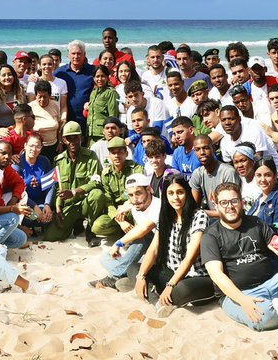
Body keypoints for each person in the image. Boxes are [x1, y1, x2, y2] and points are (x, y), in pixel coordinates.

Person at [200, 181, 278, 333]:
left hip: (272, 283)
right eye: (224, 202)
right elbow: (216, 274)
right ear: (217, 206)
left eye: (234, 201)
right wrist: (242, 300)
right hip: (238, 294)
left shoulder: (256, 223)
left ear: (242, 202)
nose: (230, 206)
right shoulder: (211, 235)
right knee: (263, 318)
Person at [134, 173, 216, 315]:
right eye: (170, 193)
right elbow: (153, 249)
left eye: (180, 192)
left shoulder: (199, 216)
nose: (175, 197)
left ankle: (158, 296)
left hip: (197, 277)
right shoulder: (166, 216)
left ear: (187, 193)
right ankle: (158, 302)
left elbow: (190, 257)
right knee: (135, 269)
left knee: (182, 289)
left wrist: (171, 285)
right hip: (173, 272)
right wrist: (141, 276)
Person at [90, 172, 160, 290]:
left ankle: (115, 276)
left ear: (148, 190)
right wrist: (124, 208)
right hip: (148, 253)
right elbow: (127, 205)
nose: (135, 199)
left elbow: (144, 228)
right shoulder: (135, 206)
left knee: (141, 236)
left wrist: (118, 243)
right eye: (131, 195)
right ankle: (127, 273)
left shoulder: (158, 205)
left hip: (162, 253)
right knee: (104, 257)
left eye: (138, 193)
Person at [42, 122, 106, 241]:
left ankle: (90, 227)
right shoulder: (58, 161)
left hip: (85, 203)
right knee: (50, 236)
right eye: (69, 138)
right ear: (64, 140)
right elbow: (56, 188)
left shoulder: (91, 156)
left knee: (97, 194)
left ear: (81, 138)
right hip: (69, 206)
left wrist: (74, 192)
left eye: (75, 138)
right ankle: (76, 223)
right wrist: (58, 208)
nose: (72, 142)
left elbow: (96, 182)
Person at [89, 136, 142, 246]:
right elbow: (108, 201)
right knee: (97, 227)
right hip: (117, 212)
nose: (117, 156)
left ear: (126, 153)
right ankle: (124, 230)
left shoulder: (136, 169)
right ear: (109, 155)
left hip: (133, 208)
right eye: (113, 153)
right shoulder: (106, 174)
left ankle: (136, 237)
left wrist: (126, 208)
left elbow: (139, 194)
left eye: (120, 152)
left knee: (139, 216)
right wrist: (120, 221)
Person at [188, 133, 240, 217]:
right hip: (211, 219)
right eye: (197, 149)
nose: (202, 152)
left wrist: (203, 213)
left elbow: (233, 209)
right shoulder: (198, 173)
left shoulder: (228, 172)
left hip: (230, 218)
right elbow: (193, 206)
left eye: (206, 148)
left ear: (213, 148)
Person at [14, 133, 55, 236]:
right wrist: (34, 207)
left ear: (41, 148)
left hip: (41, 204)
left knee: (48, 217)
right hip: (25, 204)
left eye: (37, 146)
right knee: (32, 216)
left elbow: (50, 185)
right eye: (31, 146)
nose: (34, 149)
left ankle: (40, 221)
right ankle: (26, 226)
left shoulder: (44, 161)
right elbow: (19, 192)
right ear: (25, 146)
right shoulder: (18, 164)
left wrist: (47, 205)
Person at [247, 157, 278, 237]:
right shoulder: (258, 200)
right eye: (258, 175)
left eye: (267, 175)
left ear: (275, 176)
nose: (263, 179)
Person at [57, 40, 96, 128]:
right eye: (73, 53)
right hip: (66, 119)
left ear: (84, 54)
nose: (76, 56)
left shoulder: (93, 71)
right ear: (68, 55)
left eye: (79, 53)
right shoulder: (59, 73)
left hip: (89, 119)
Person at [28, 79, 63, 159]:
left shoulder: (54, 106)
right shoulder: (30, 108)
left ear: (50, 96)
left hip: (53, 146)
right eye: (40, 97)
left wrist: (60, 142)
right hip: (37, 148)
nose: (42, 100)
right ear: (36, 95)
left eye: (45, 97)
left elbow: (59, 126)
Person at [86, 64, 119, 140]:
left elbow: (113, 116)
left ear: (107, 77)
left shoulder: (111, 93)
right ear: (94, 78)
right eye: (97, 76)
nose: (100, 79)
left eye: (103, 76)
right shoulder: (93, 93)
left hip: (103, 135)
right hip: (91, 133)